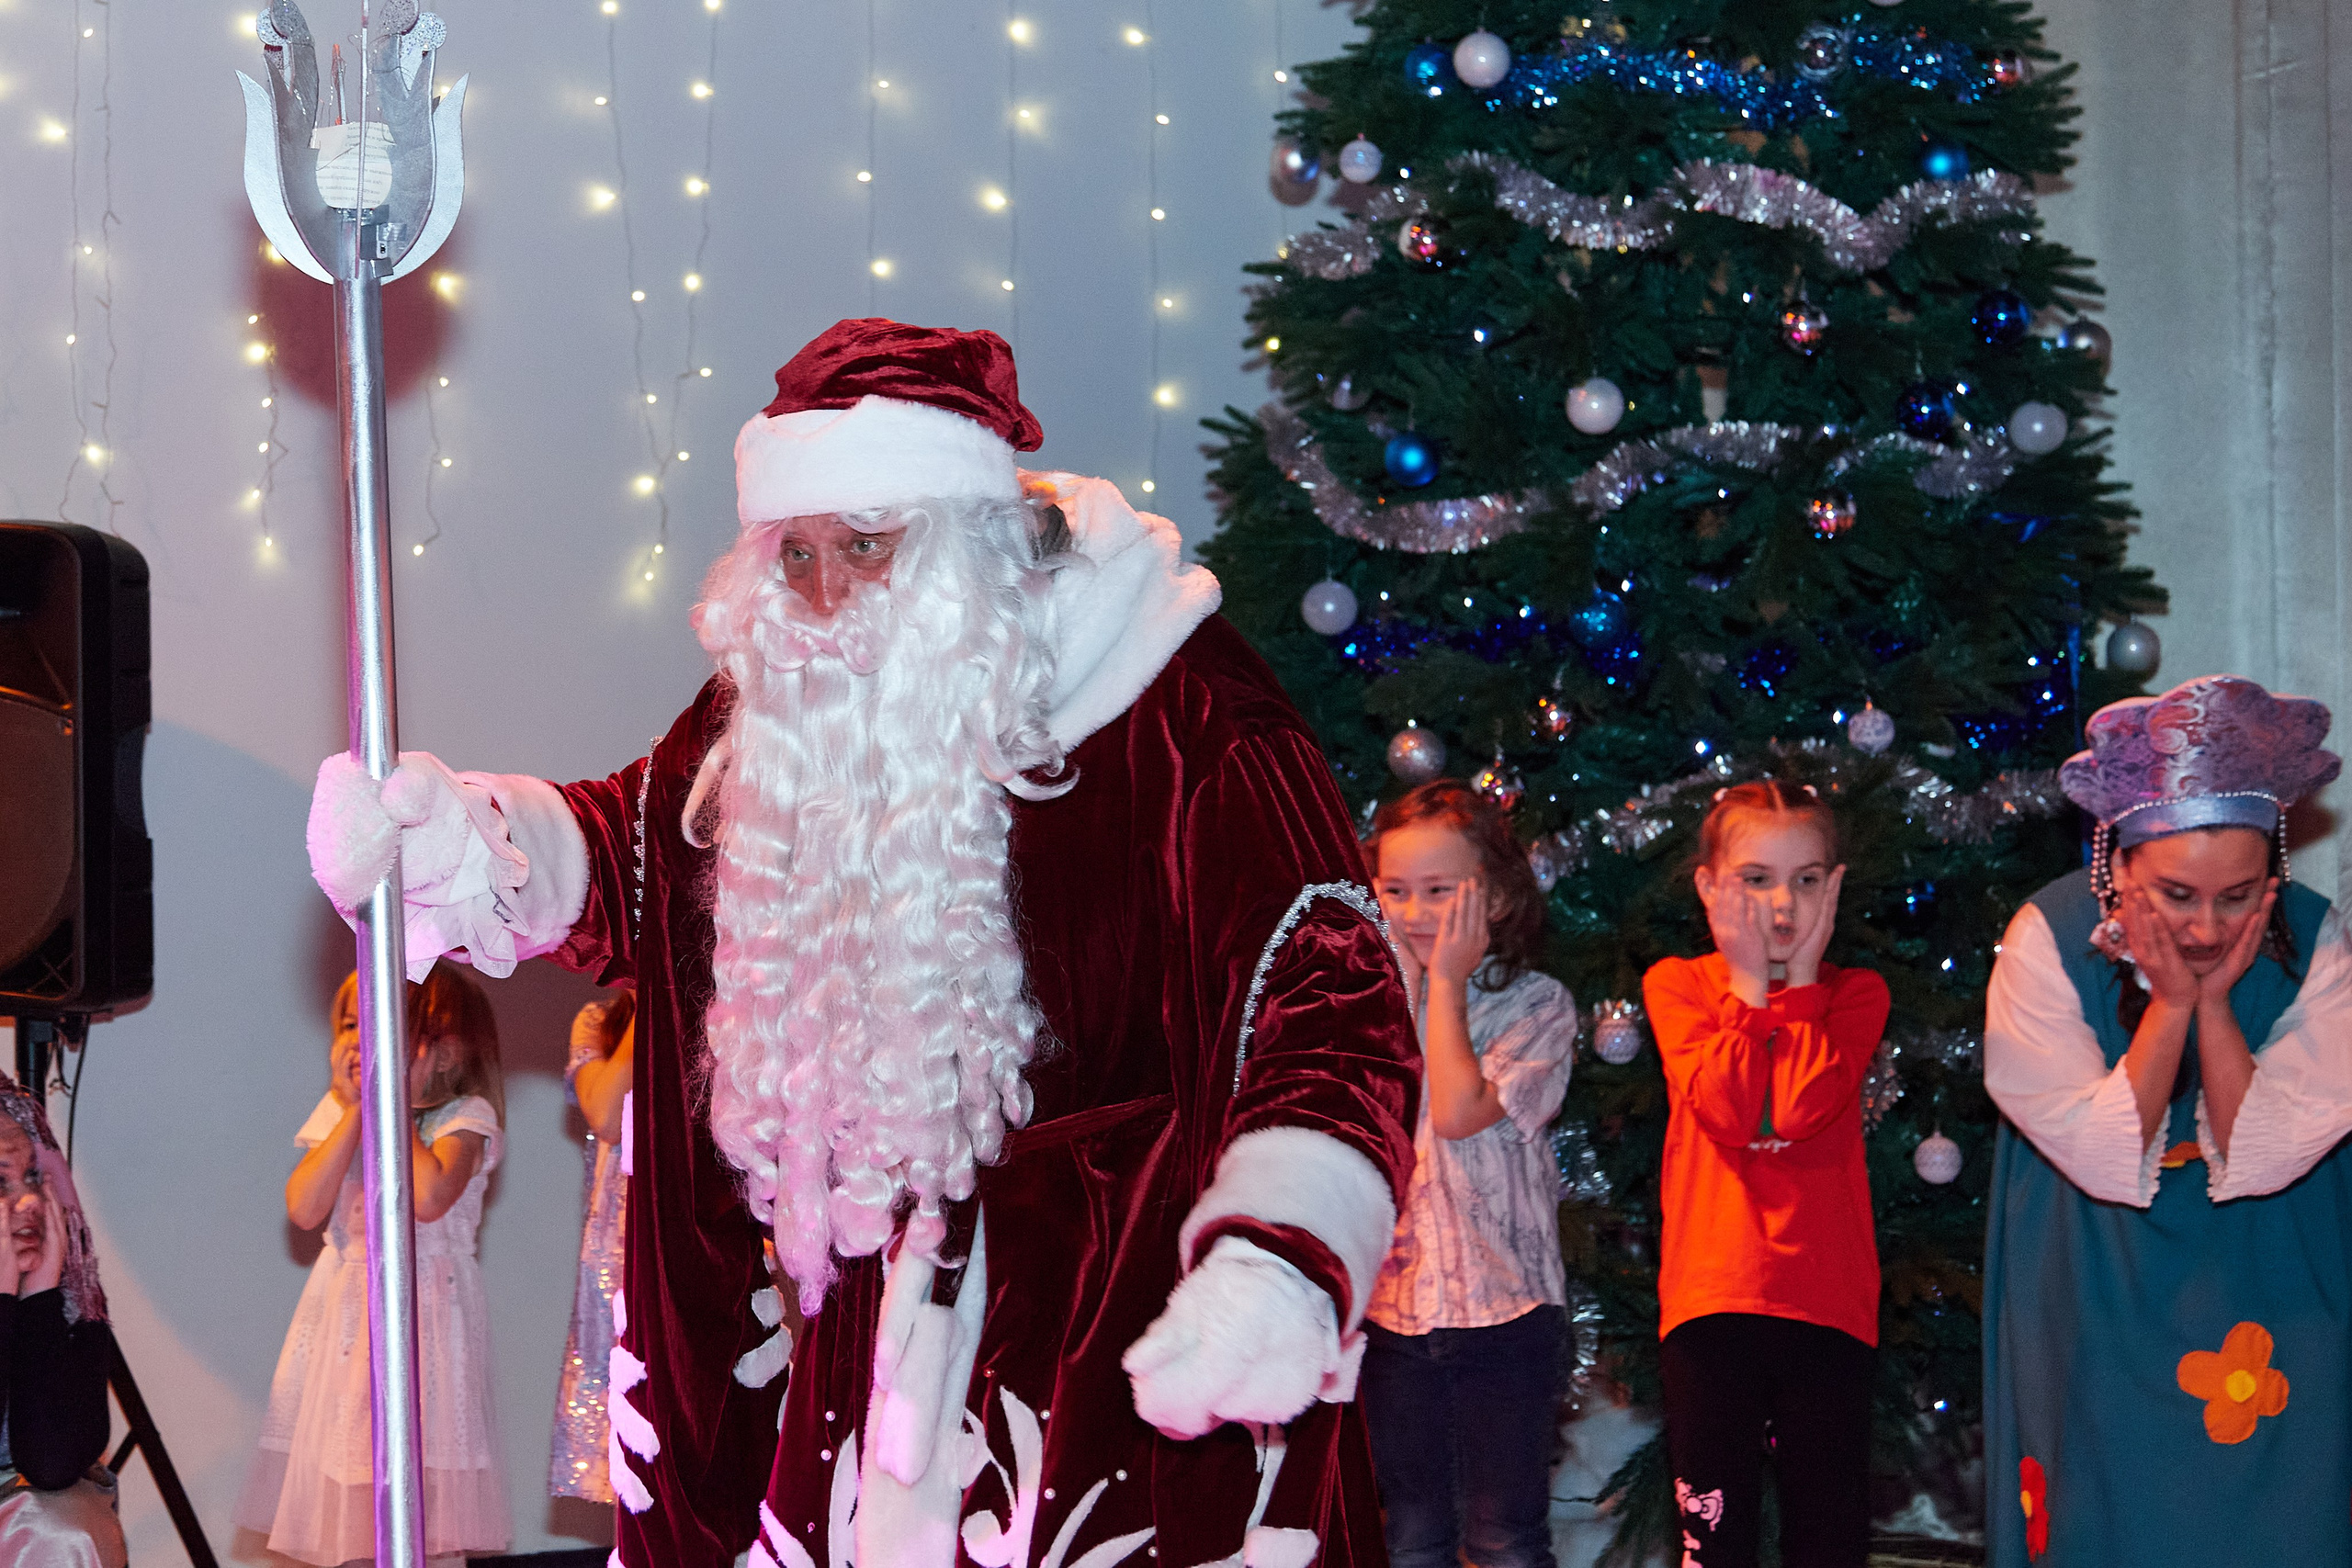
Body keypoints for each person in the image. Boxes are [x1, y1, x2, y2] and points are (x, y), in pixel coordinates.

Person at [303, 318, 1420, 1568]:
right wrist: (462, 840)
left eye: (868, 549)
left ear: (964, 541)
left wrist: (1279, 1250)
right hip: (855, 1379)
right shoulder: (782, 701)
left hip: (1112, 1333)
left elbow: (1328, 990)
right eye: (795, 554)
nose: (825, 595)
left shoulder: (1180, 708)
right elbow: (647, 854)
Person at [1983, 675, 2352, 1565]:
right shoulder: (2046, 934)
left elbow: (2264, 1150)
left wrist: (2212, 1009)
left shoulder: (2315, 939)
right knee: (2105, 1507)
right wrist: (2168, 1012)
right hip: (2096, 1278)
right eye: (2176, 896)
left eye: (2237, 896)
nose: (2205, 928)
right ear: (2119, 861)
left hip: (2273, 1290)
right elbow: (2105, 1156)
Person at [1642, 780, 1889, 1568]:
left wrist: (1803, 980)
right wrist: (1750, 985)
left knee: (1829, 1531)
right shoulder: (1678, 984)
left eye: (1807, 878)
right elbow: (1725, 1109)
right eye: (1755, 878)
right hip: (1713, 1300)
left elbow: (1803, 1107)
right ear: (1710, 887)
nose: (1782, 903)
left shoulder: (1854, 994)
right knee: (1715, 1536)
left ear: (1835, 887)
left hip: (1827, 1304)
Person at [1360, 781, 1577, 1568]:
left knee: (1505, 1537)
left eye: (1441, 892)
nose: (1416, 913)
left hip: (1507, 1319)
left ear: (1497, 895)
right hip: (1396, 1319)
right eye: (1396, 891)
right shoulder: (1365, 1009)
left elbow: (1457, 1110)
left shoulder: (1536, 1005)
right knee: (1413, 1533)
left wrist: (1443, 983)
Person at [236, 966, 513, 1567]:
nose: (360, 1042)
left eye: (382, 1029)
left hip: (426, 1332)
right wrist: (360, 1110)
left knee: (426, 1504)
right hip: (349, 1328)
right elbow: (305, 1208)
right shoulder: (340, 1111)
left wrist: (389, 1107)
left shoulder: (464, 1117)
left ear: (445, 1051)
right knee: (350, 1497)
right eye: (351, 1025)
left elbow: (431, 1196)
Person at [0, 1072, 123, 1568]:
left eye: (34, 1177)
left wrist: (40, 1299)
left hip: (18, 1510)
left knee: (62, 1531)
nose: (28, 1203)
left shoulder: (76, 1303)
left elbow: (51, 1465)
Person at [550, 986, 633, 1505]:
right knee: (630, 1429)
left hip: (706, 1230)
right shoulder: (599, 1021)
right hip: (623, 1249)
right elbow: (605, 1112)